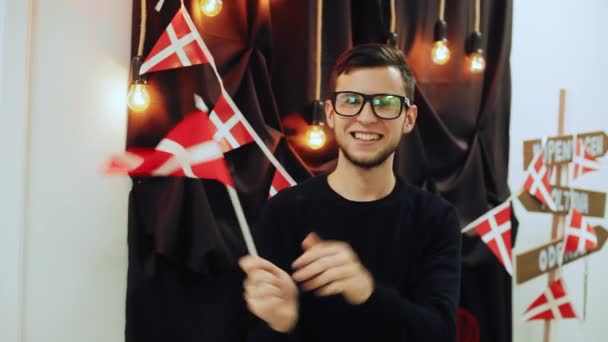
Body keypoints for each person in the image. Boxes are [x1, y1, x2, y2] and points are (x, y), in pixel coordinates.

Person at [240, 43, 462, 341]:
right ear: (331, 114)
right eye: (351, 100)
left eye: (384, 102)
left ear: (408, 118)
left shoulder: (435, 219)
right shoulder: (285, 211)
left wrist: (366, 293)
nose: (367, 117)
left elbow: (439, 334)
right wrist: (281, 325)